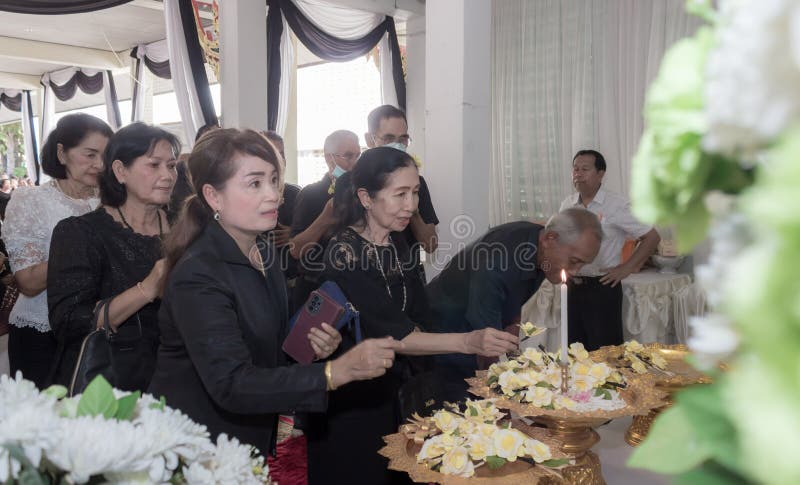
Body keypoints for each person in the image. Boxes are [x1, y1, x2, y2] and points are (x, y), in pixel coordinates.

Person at [147, 128, 403, 457]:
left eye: (273, 180)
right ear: (214, 196)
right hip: (193, 444)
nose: (273, 195)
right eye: (255, 183)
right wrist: (333, 373)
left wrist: (311, 345)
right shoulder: (199, 273)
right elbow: (232, 382)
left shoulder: (263, 252)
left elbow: (269, 348)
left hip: (244, 436)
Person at [305, 146, 518, 485]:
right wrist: (468, 341)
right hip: (353, 397)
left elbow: (421, 313)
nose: (412, 205)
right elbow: (395, 335)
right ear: (366, 197)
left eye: (415, 192)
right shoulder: (344, 253)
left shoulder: (396, 243)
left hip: (399, 389)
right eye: (400, 194)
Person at [47, 123, 179, 391]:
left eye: (172, 165)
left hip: (179, 378)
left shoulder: (185, 227)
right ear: (120, 171)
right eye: (154, 165)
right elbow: (69, 322)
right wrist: (148, 288)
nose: (167, 175)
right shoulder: (81, 232)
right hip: (112, 384)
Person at [424, 208, 603, 398]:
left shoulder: (542, 248)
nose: (575, 271)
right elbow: (487, 343)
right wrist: (505, 394)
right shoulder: (497, 262)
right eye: (574, 261)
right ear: (550, 238)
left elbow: (516, 296)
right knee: (461, 407)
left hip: (474, 329)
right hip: (442, 332)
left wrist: (514, 325)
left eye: (582, 264)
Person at [2, 113, 113, 388]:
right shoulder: (30, 200)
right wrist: (81, 252)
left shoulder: (111, 202)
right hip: (41, 335)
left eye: (106, 156)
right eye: (89, 154)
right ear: (62, 153)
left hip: (101, 329)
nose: (99, 165)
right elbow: (27, 282)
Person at [559, 149, 661, 350]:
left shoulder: (617, 205)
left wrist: (627, 267)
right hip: (572, 286)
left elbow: (652, 237)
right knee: (574, 350)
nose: (578, 174)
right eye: (575, 169)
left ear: (601, 174)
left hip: (603, 286)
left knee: (606, 353)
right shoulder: (567, 205)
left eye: (585, 169)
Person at [289, 129, 360, 313]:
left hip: (356, 287)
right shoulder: (311, 194)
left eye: (359, 155)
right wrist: (325, 219)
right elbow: (296, 250)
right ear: (329, 159)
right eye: (348, 156)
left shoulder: (363, 193)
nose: (355, 162)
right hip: (316, 289)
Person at [366, 105, 438, 282]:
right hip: (367, 280)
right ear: (370, 140)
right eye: (389, 138)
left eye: (403, 138)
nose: (397, 145)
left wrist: (410, 204)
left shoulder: (417, 184)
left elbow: (430, 244)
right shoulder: (354, 183)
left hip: (409, 277)